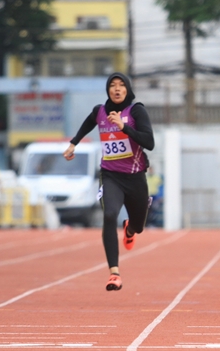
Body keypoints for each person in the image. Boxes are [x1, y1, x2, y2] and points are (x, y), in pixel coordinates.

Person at [63, 72, 155, 291]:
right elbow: (88, 123)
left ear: (127, 90)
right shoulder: (100, 111)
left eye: (121, 85)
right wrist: (73, 143)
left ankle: (130, 230)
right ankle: (114, 273)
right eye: (112, 85)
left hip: (135, 177)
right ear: (108, 90)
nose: (116, 89)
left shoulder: (136, 111)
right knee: (109, 214)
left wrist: (124, 127)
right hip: (110, 175)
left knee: (138, 226)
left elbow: (149, 142)